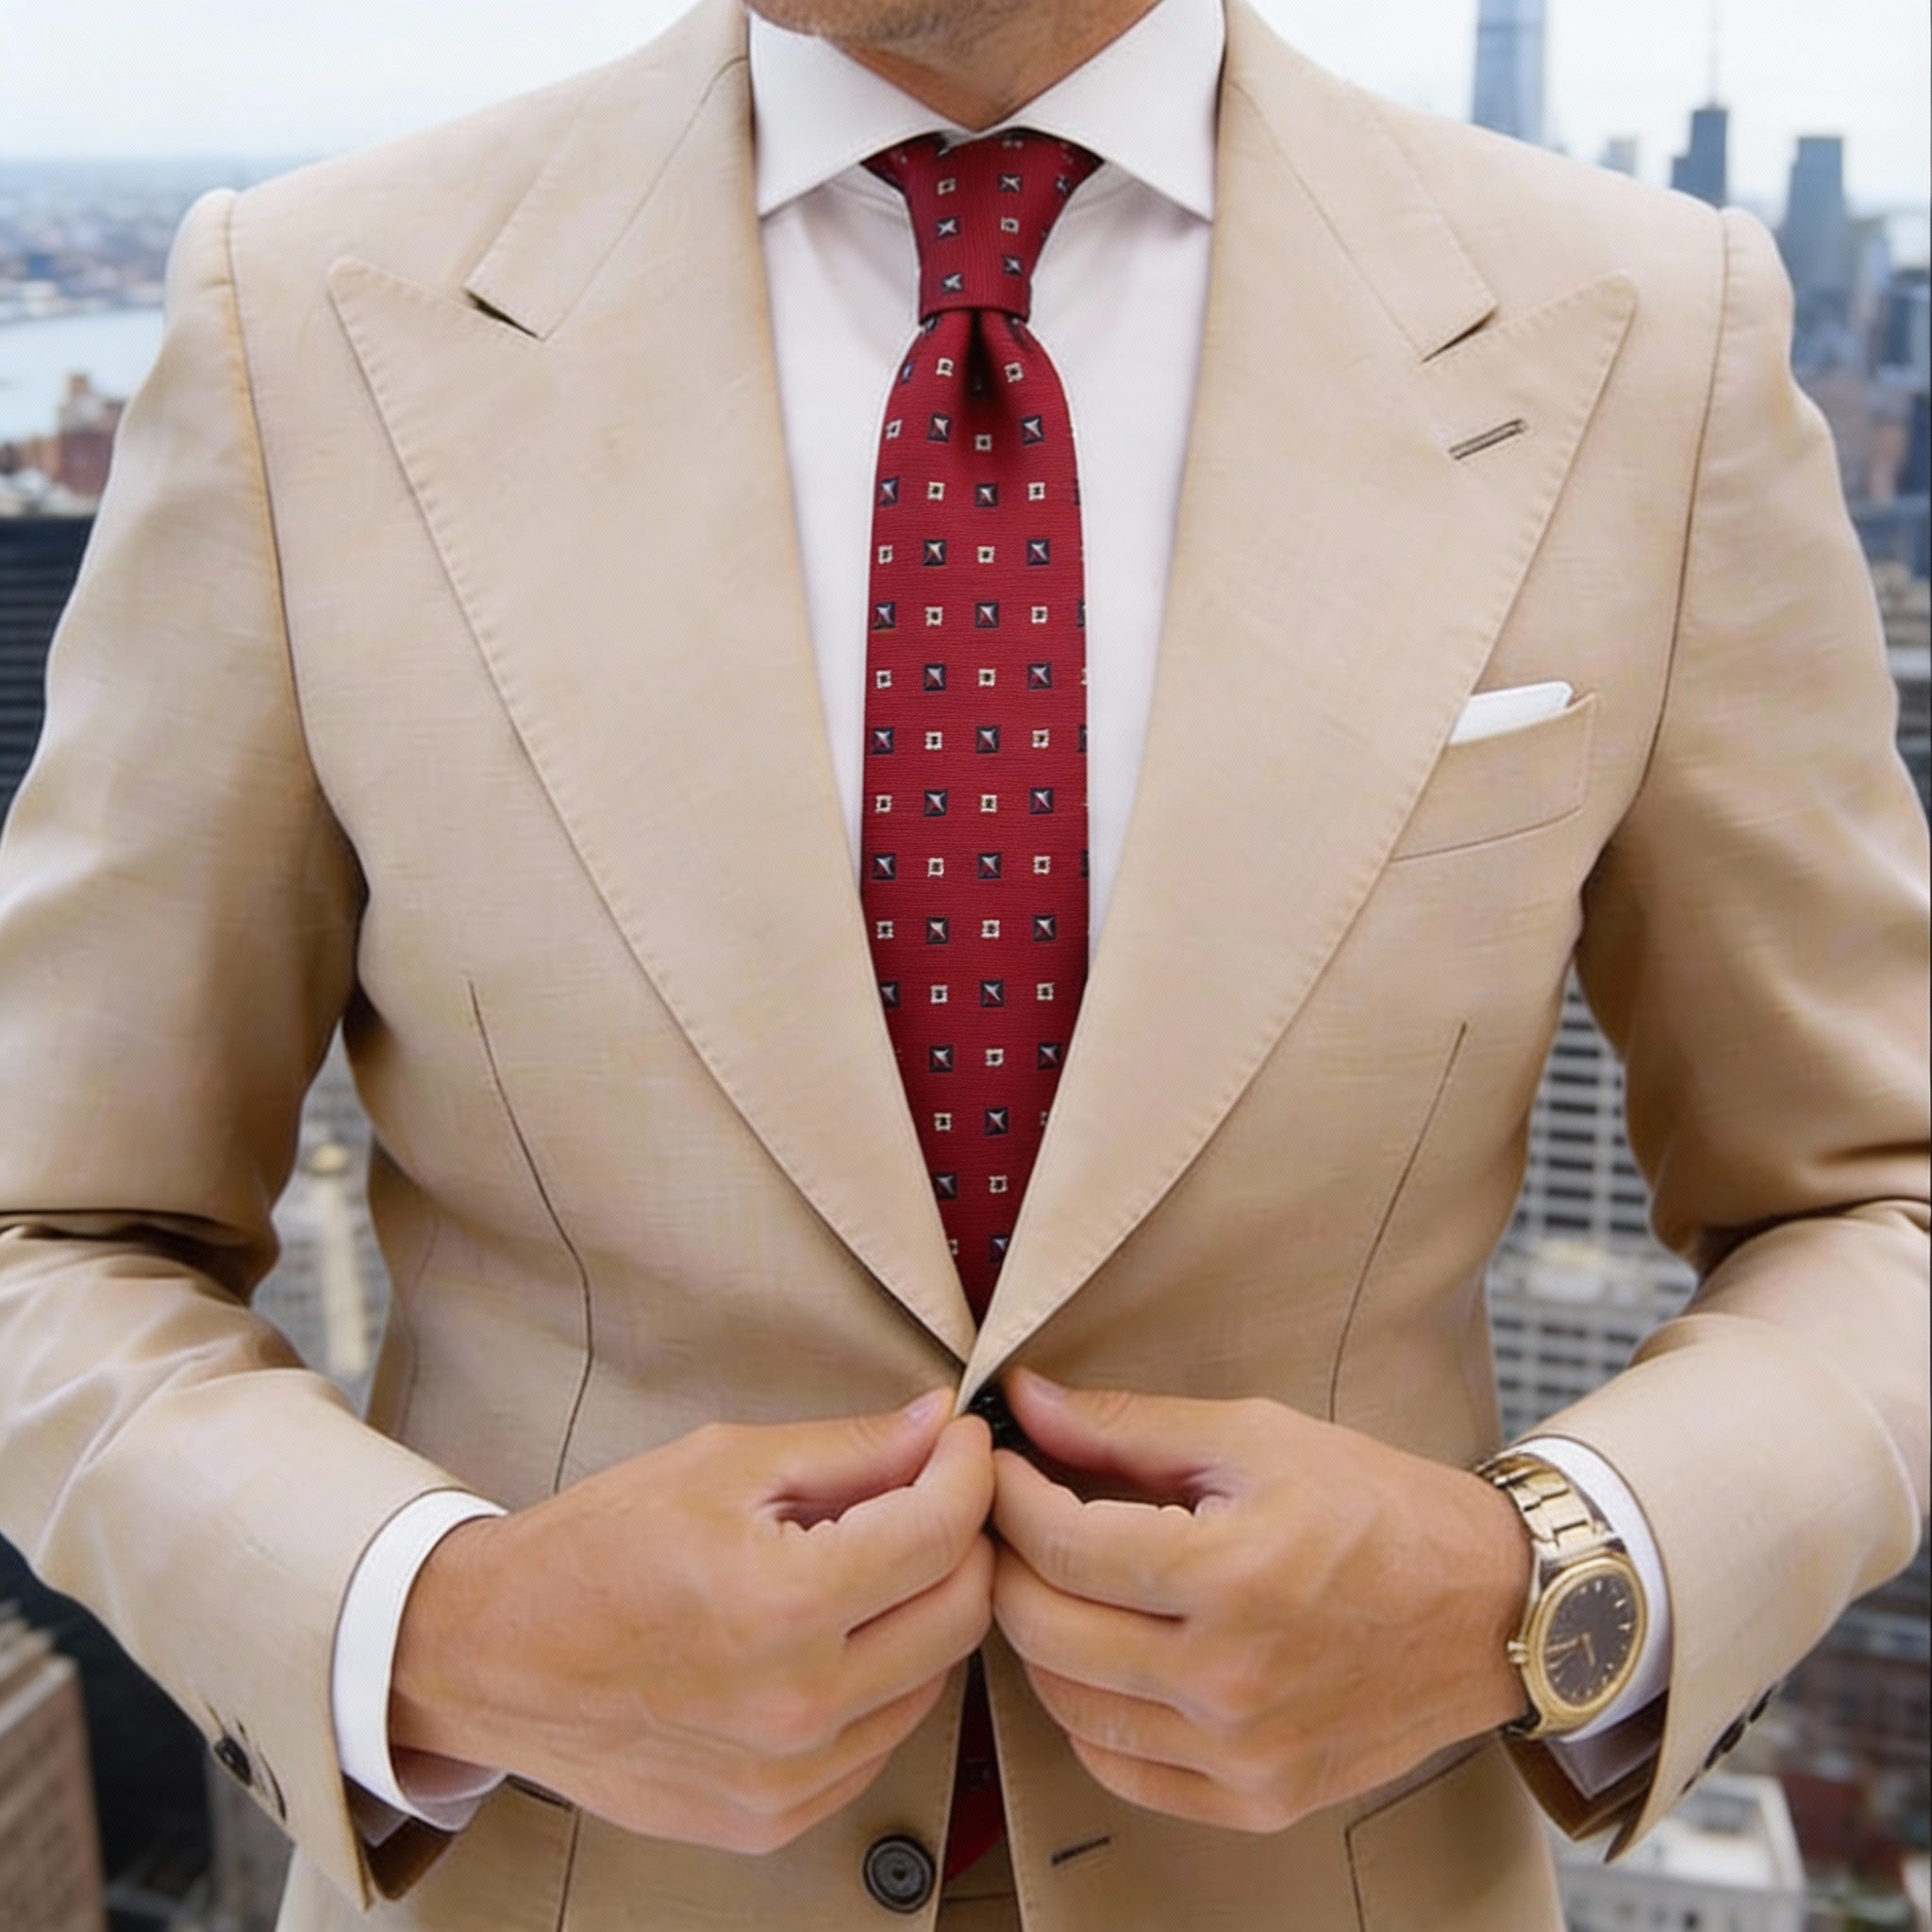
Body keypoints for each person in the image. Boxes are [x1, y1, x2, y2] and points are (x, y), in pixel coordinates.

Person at [0, 0, 1924, 1924]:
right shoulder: (308, 317)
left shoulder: (1642, 334)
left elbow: (1878, 1200)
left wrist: (1542, 1587)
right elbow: (49, 1232)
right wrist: (442, 1626)